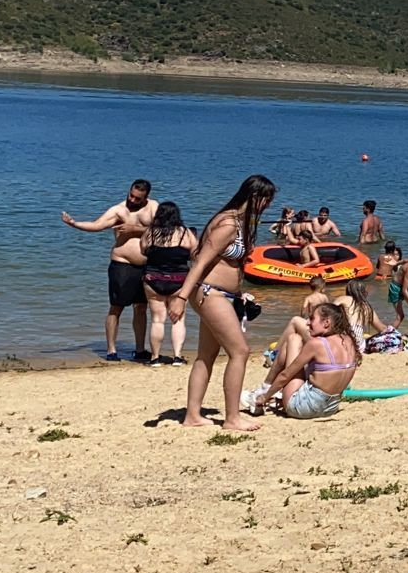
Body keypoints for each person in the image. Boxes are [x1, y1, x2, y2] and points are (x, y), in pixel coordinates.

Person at [176, 175, 276, 431]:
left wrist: (240, 293)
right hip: (211, 293)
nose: (267, 206)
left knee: (205, 356)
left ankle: (193, 416)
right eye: (266, 200)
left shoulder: (240, 222)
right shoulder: (228, 224)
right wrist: (180, 298)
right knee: (240, 351)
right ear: (255, 196)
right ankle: (232, 418)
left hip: (222, 294)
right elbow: (200, 261)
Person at [61, 179, 157, 362]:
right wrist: (74, 223)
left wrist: (135, 229)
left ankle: (139, 349)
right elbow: (97, 225)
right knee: (116, 307)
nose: (133, 200)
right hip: (122, 263)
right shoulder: (118, 210)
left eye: (138, 198)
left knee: (141, 307)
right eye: (131, 195)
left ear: (146, 197)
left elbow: (162, 229)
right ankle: (111, 350)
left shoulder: (153, 207)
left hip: (145, 265)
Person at [249, 302, 362, 420]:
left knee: (294, 339)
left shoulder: (316, 344)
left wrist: (264, 398)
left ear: (326, 323)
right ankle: (269, 389)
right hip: (331, 408)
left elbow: (285, 375)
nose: (307, 322)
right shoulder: (349, 341)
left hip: (303, 408)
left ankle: (265, 389)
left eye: (312, 318)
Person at [138, 201, 198, 365]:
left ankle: (155, 357)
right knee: (178, 320)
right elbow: (195, 255)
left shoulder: (150, 233)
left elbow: (143, 250)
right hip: (179, 280)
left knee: (157, 320)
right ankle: (177, 357)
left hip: (153, 279)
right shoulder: (185, 233)